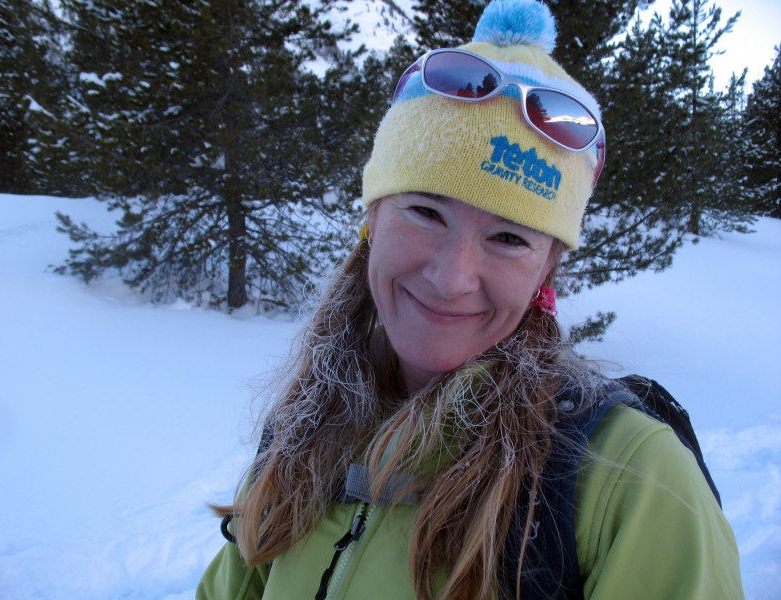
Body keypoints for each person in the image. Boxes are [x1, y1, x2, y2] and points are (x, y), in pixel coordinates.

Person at [196, 0, 744, 598]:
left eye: (509, 237)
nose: (453, 278)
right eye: (427, 212)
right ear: (373, 217)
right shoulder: (307, 427)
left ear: (548, 265)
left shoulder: (633, 483)